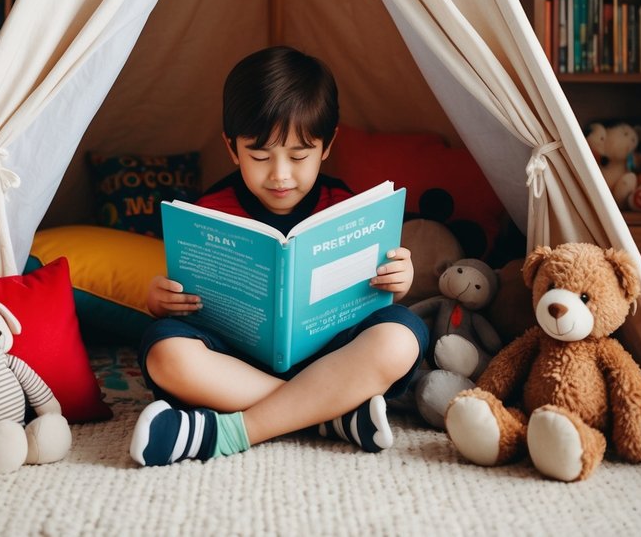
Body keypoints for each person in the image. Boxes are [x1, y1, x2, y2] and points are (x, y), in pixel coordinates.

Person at [129, 45, 428, 467]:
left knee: (402, 336)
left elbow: (373, 295)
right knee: (164, 352)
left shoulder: (347, 208)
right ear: (232, 149)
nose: (280, 174)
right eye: (260, 156)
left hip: (332, 356)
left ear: (327, 146)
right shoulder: (207, 212)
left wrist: (398, 279)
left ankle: (231, 432)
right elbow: (183, 295)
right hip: (237, 361)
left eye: (299, 155)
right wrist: (159, 301)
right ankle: (332, 415)